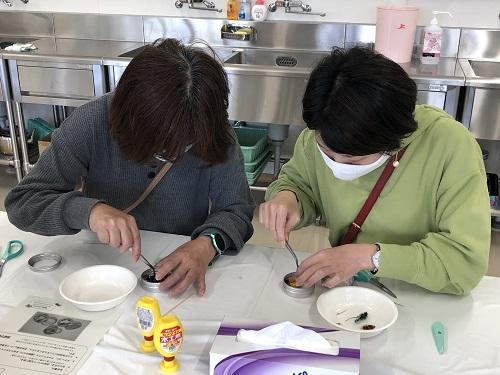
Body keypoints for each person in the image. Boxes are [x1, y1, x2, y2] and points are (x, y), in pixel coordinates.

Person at [5, 38, 255, 297]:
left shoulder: (212, 127)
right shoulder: (93, 121)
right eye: (163, 145)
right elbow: (23, 203)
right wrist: (89, 211)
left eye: (187, 144)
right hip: (100, 261)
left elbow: (236, 209)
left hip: (179, 261)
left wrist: (206, 244)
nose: (176, 153)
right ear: (130, 119)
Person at [260, 47, 490, 295]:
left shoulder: (450, 146)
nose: (336, 165)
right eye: (326, 152)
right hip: (345, 290)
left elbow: (464, 263)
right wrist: (288, 197)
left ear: (392, 142)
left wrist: (371, 257)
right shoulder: (324, 129)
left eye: (352, 160)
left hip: (420, 292)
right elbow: (299, 181)